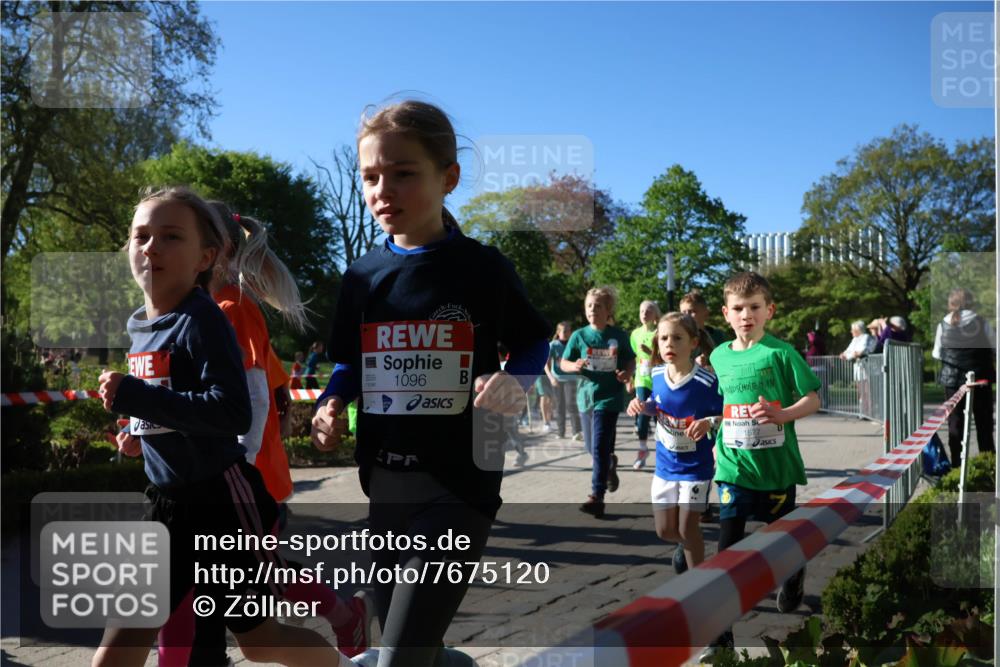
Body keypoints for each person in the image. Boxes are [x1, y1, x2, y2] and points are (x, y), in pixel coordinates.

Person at [309, 100, 550, 667]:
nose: (382, 189)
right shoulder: (362, 276)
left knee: (398, 657)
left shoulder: (483, 268)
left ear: (449, 178)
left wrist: (514, 381)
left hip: (461, 484)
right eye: (370, 176)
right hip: (385, 485)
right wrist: (330, 402)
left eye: (403, 173)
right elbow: (349, 361)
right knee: (417, 649)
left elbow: (533, 342)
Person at [93, 186, 352, 667]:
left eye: (170, 236)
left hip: (223, 504)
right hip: (166, 506)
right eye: (141, 236)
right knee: (115, 651)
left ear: (205, 257)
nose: (151, 247)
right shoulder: (139, 325)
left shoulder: (204, 318)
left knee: (260, 643)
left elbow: (232, 412)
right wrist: (139, 429)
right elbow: (171, 403)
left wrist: (138, 397)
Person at [698, 271, 821, 661]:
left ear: (769, 310)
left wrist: (782, 414)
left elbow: (813, 399)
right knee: (726, 556)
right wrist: (716, 424)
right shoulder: (718, 356)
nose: (746, 315)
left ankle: (794, 572)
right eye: (738, 308)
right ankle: (721, 641)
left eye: (754, 307)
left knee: (782, 541)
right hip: (734, 469)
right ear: (726, 314)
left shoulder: (781, 353)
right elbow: (728, 403)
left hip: (777, 470)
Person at [626, 312, 721, 575]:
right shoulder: (656, 374)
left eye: (677, 338)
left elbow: (726, 415)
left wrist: (708, 422)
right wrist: (641, 406)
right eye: (664, 338)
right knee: (665, 530)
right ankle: (686, 545)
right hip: (665, 466)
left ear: (693, 343)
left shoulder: (707, 381)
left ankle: (699, 581)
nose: (669, 344)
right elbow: (655, 407)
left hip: (696, 468)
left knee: (688, 528)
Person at [561, 286, 636, 518]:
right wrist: (573, 366)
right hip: (586, 397)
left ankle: (597, 496)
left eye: (598, 306)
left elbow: (630, 361)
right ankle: (610, 465)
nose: (592, 309)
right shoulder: (579, 336)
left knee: (599, 446)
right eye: (589, 306)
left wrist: (626, 374)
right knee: (592, 448)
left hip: (609, 397)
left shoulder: (619, 336)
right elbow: (563, 363)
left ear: (608, 310)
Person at [932, 288, 996, 469]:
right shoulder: (981, 322)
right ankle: (987, 466)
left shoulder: (942, 324)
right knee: (984, 424)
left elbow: (937, 353)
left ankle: (957, 468)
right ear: (971, 301)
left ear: (951, 303)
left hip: (953, 381)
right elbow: (995, 346)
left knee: (955, 424)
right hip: (980, 380)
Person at [629, 300, 661, 470]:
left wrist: (651, 353)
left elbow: (665, 357)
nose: (644, 313)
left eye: (648, 310)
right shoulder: (635, 334)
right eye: (641, 310)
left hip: (658, 378)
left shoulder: (660, 332)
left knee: (659, 417)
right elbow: (634, 358)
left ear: (655, 314)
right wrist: (630, 379)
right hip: (642, 379)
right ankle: (642, 450)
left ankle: (662, 453)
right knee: (641, 413)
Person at [547, 322, 583, 441]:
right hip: (557, 379)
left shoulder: (573, 345)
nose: (567, 333)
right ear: (558, 332)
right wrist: (551, 378)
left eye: (568, 330)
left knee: (571, 404)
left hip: (571, 378)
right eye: (564, 331)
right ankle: (561, 431)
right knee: (559, 406)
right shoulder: (553, 345)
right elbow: (545, 364)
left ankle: (576, 431)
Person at [840, 320, 876, 415]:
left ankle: (869, 411)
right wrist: (846, 354)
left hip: (865, 367)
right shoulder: (854, 339)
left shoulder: (865, 337)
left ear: (858, 330)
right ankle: (863, 411)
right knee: (860, 390)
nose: (851, 332)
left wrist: (850, 355)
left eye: (853, 330)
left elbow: (861, 350)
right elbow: (849, 351)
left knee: (867, 390)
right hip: (857, 366)